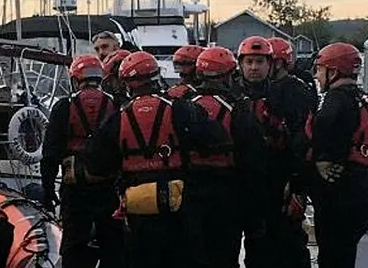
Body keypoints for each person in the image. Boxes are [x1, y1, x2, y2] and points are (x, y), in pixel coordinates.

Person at [84, 52, 210, 268]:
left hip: (137, 210)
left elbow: (95, 164)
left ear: (126, 83)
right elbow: (211, 141)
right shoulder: (181, 109)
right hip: (178, 206)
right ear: (156, 77)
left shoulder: (117, 118)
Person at [184, 47, 267, 268]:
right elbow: (253, 155)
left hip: (190, 190)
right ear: (229, 75)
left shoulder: (183, 104)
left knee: (194, 255)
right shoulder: (239, 106)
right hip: (227, 189)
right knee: (224, 255)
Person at [306, 42, 368, 268]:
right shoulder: (367, 100)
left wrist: (321, 159)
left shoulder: (335, 100)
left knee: (332, 257)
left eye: (319, 70)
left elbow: (324, 131)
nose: (316, 76)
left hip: (342, 193)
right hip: (366, 190)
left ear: (333, 72)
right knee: (345, 255)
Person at [40, 54, 122, 268]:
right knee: (113, 246)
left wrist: (48, 189)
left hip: (75, 188)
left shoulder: (64, 106)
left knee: (74, 247)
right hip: (109, 187)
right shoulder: (116, 104)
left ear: (75, 79)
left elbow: (50, 153)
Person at [236, 36, 290, 268]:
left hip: (273, 179)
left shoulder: (285, 95)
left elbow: (299, 140)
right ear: (240, 64)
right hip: (237, 181)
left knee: (271, 244)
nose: (254, 67)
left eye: (259, 62)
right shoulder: (231, 95)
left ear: (270, 64)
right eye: (249, 62)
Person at [266, 37, 319, 268]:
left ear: (277, 63)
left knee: (288, 236)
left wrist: (297, 184)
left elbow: (302, 138)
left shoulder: (293, 91)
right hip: (276, 173)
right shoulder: (298, 87)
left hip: (287, 173)